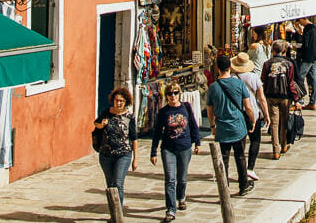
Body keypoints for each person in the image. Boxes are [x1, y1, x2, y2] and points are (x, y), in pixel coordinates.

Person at [205, 55, 257, 196]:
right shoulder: (239, 84)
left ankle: (224, 189)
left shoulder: (213, 88)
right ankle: (243, 185)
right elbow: (248, 107)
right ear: (230, 67)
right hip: (238, 126)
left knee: (224, 159)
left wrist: (212, 125)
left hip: (222, 128)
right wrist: (252, 121)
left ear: (217, 68)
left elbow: (210, 109)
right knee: (240, 157)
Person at [149, 82, 200, 221]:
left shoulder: (186, 108)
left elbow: (193, 125)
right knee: (170, 179)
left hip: (185, 147)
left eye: (175, 93)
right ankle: (171, 209)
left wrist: (197, 143)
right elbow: (157, 132)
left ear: (179, 94)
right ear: (166, 96)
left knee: (182, 178)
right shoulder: (163, 112)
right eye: (170, 94)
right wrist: (153, 151)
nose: (173, 96)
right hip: (168, 149)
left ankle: (181, 196)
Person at [91, 86, 138, 206]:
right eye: (117, 100)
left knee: (118, 183)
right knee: (110, 185)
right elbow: (96, 124)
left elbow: (134, 138)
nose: (119, 103)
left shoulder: (129, 117)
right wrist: (102, 124)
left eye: (121, 101)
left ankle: (118, 213)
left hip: (123, 154)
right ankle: (113, 212)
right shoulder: (106, 113)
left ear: (126, 102)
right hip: (106, 155)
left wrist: (135, 159)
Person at [230, 52, 271, 180]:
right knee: (255, 140)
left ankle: (241, 171)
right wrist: (266, 114)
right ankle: (250, 168)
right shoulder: (254, 77)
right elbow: (262, 98)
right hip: (253, 112)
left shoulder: (232, 79)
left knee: (240, 143)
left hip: (238, 113)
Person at [261, 40, 301, 159]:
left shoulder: (267, 64)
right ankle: (283, 145)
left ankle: (275, 150)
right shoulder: (289, 64)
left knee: (274, 123)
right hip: (285, 96)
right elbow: (290, 83)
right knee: (284, 121)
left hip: (271, 95)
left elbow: (263, 80)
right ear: (283, 51)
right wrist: (296, 98)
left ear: (273, 50)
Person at [297, 17, 316, 110]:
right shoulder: (314, 28)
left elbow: (306, 44)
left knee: (299, 77)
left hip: (307, 57)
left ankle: (299, 100)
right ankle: (312, 101)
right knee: (313, 79)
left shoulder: (307, 28)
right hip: (314, 56)